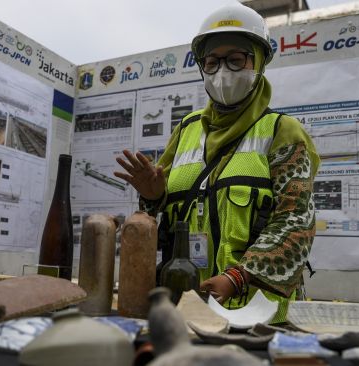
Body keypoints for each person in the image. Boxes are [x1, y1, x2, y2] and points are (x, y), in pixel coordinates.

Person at [115, 3, 320, 323]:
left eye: (236, 60)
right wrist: (153, 196)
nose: (222, 71)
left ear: (259, 62)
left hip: (261, 319)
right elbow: (157, 219)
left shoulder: (282, 131)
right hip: (185, 309)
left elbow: (297, 221)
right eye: (211, 62)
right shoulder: (186, 130)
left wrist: (240, 277)